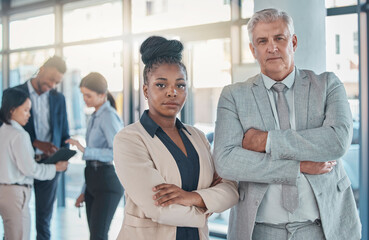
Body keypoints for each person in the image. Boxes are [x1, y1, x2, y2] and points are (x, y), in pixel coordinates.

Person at [214, 8, 361, 240]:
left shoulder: (328, 85)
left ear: (293, 42)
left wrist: (266, 141)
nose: (271, 47)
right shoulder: (233, 96)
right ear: (253, 50)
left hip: (324, 229)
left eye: (279, 38)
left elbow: (337, 141)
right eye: (262, 41)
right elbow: (226, 161)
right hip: (259, 231)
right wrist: (298, 166)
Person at [113, 36, 239, 240]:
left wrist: (192, 198)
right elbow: (160, 210)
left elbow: (231, 190)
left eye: (180, 85)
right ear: (146, 90)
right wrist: (207, 206)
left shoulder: (197, 137)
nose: (172, 92)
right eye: (161, 85)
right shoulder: (129, 139)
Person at [0, 88, 68, 240]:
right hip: (16, 193)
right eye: (25, 110)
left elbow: (11, 159)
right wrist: (55, 167)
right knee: (19, 236)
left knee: (10, 235)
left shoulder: (3, 131)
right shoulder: (20, 135)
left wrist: (37, 156)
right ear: (12, 110)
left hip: (4, 191)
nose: (29, 115)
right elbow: (29, 169)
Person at [15, 55, 70, 240]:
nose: (53, 84)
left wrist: (64, 155)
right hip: (21, 164)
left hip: (49, 165)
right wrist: (36, 142)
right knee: (16, 220)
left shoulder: (58, 98)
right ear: (42, 69)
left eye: (57, 82)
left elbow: (64, 132)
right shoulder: (15, 94)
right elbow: (6, 127)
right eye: (52, 79)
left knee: (44, 222)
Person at [66, 72, 124, 240]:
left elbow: (117, 152)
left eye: (88, 95)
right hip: (93, 179)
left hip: (106, 182)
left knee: (98, 235)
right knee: (95, 235)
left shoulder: (108, 116)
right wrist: (84, 190)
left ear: (102, 95)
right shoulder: (94, 116)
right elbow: (92, 164)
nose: (85, 99)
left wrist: (84, 149)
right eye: (83, 95)